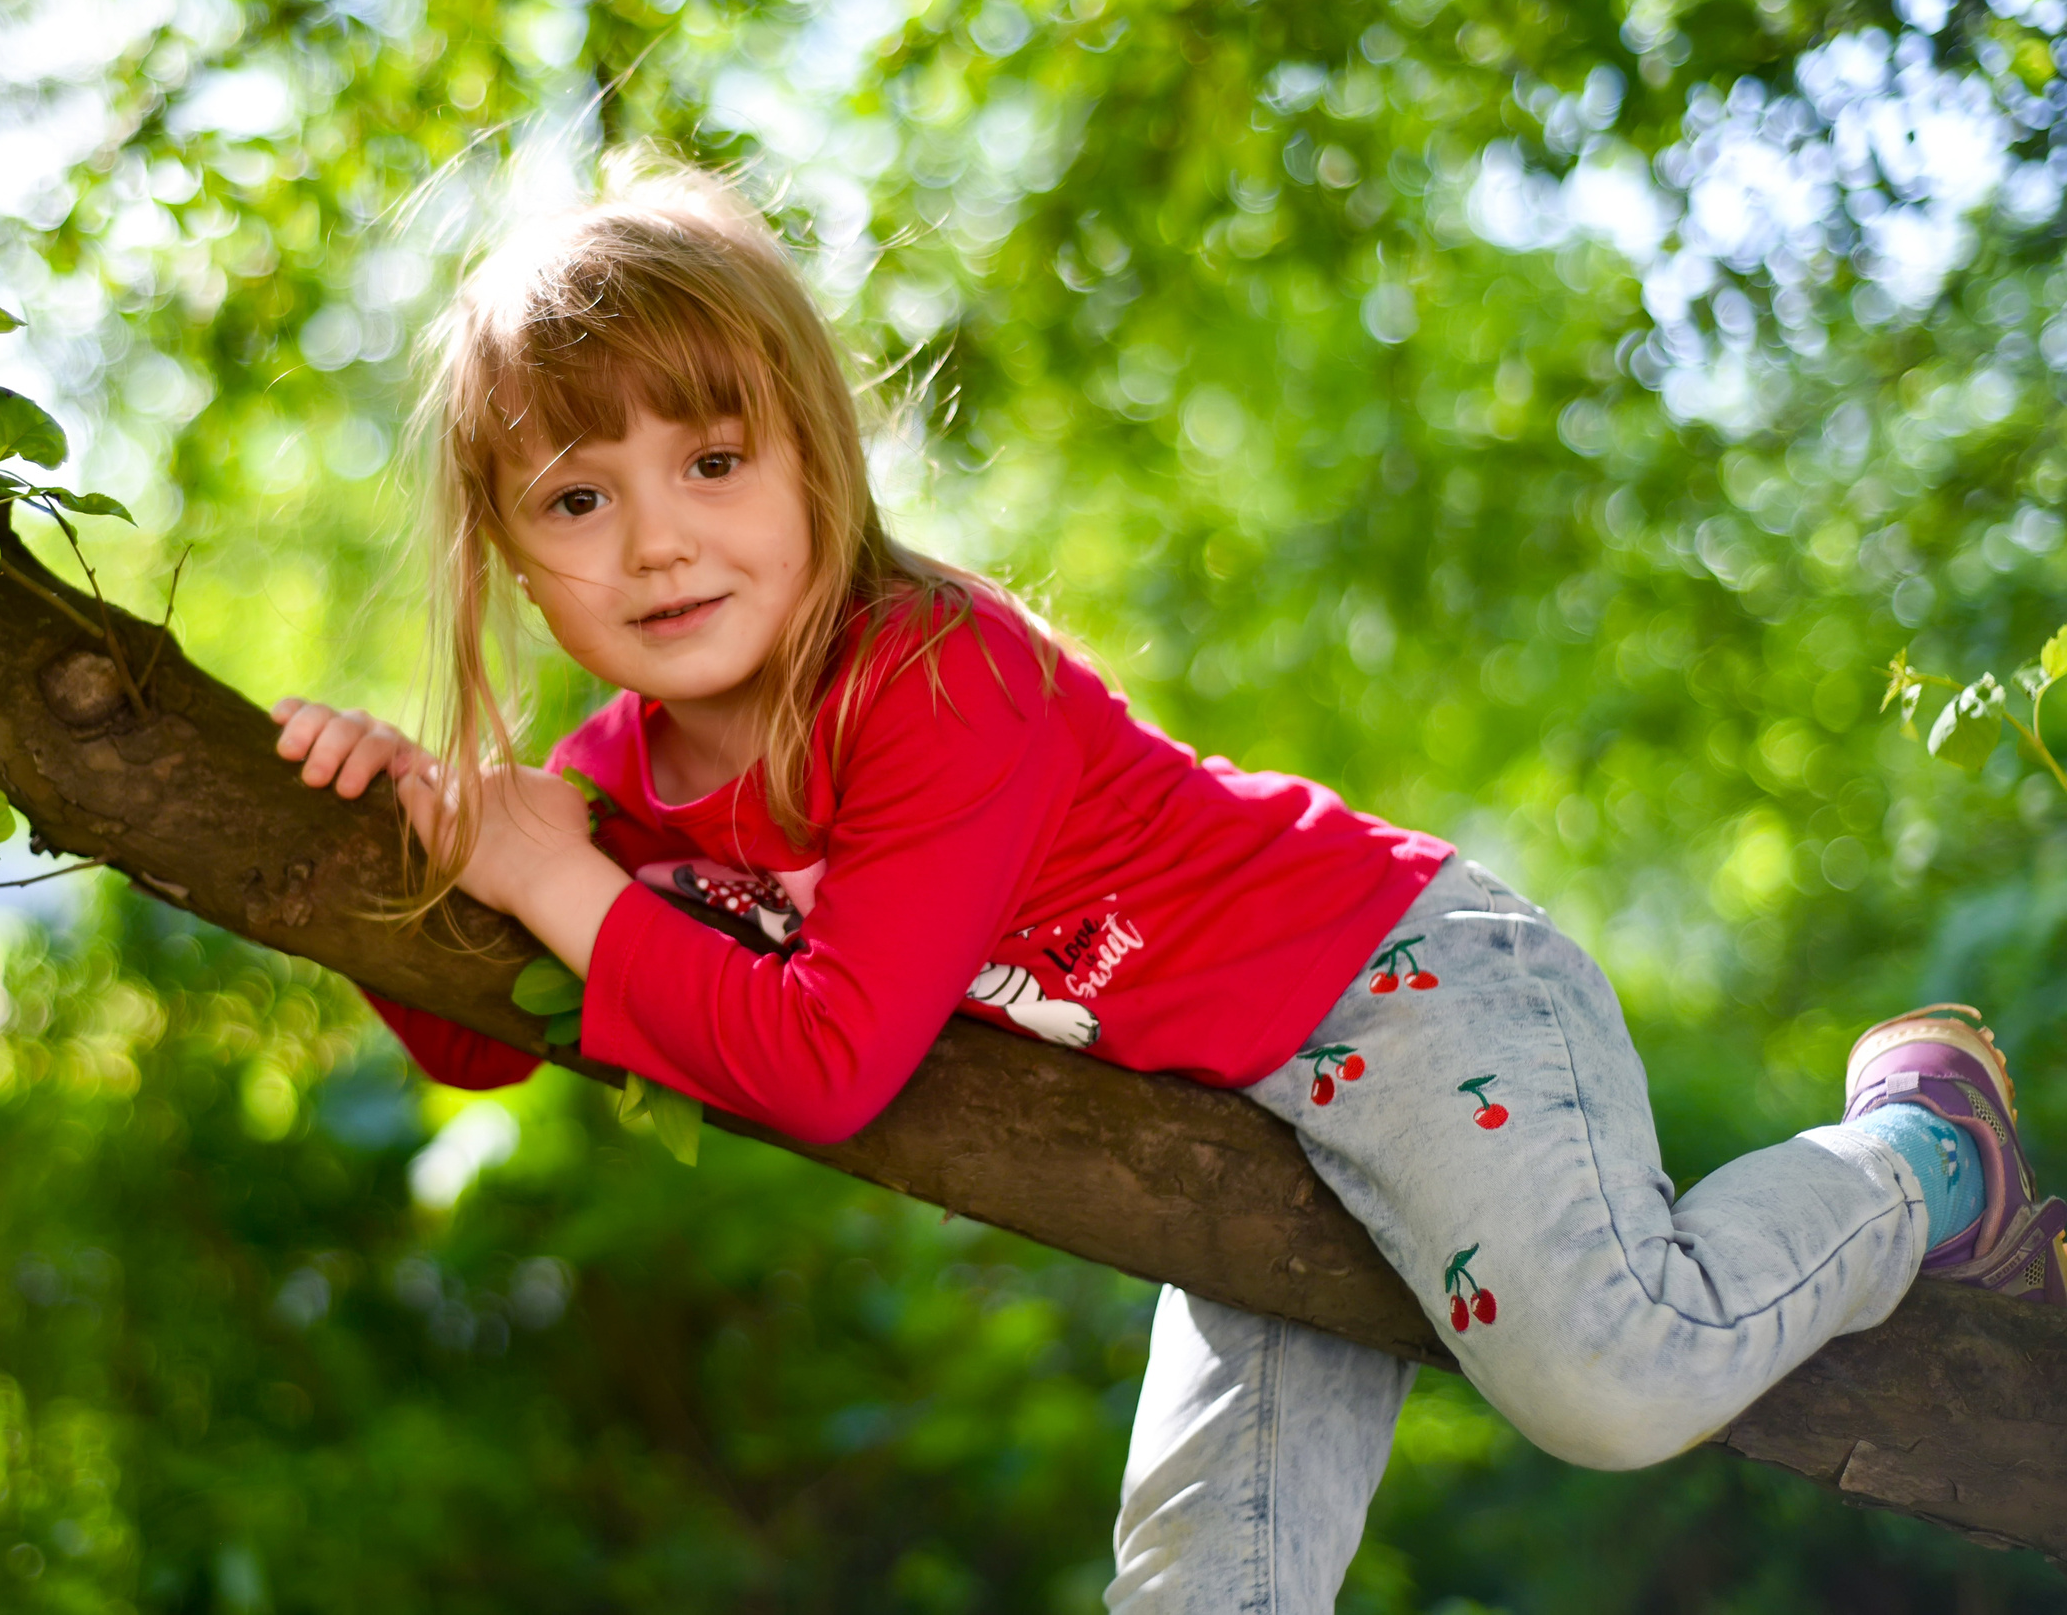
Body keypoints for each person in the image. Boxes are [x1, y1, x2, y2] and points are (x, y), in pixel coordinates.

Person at [270, 152, 2065, 1612]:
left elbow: (827, 1058)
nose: (657, 536)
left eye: (713, 462)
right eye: (577, 500)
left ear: (816, 455)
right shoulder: (608, 791)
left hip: (1397, 988)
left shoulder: (932, 674)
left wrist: (559, 883)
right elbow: (493, 1047)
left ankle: (1924, 1144)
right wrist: (410, 864)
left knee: (1613, 1380)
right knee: (1204, 1587)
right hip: (1229, 1132)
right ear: (508, 548)